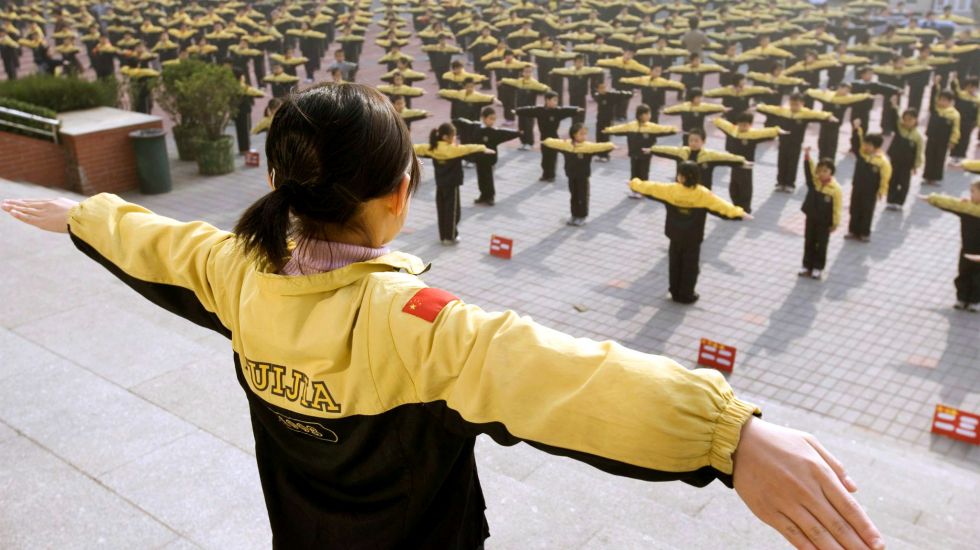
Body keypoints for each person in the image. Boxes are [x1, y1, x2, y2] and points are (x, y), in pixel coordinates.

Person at [1, 82, 885, 550]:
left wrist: (80, 213)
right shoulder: (413, 325)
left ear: (275, 182)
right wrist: (726, 432)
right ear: (400, 195)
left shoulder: (236, 272)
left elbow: (158, 241)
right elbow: (559, 372)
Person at [629, 161, 752, 304]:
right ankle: (687, 294)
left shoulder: (671, 190)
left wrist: (634, 183)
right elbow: (721, 205)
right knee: (690, 266)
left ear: (681, 177)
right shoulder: (702, 194)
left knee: (675, 264)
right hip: (693, 237)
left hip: (674, 235)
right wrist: (740, 213)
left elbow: (652, 187)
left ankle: (674, 291)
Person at [414, 122, 494, 245]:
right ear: (446, 137)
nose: (455, 138)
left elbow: (416, 147)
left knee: (442, 210)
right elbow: (469, 148)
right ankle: (450, 237)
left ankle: (443, 236)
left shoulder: (432, 147)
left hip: (440, 184)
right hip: (452, 185)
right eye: (453, 136)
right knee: (453, 212)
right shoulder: (453, 150)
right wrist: (483, 148)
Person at [757, 94, 837, 192]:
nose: (794, 107)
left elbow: (817, 114)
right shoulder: (783, 111)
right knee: (782, 162)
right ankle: (780, 182)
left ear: (802, 104)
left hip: (796, 143)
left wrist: (829, 116)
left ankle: (790, 184)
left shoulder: (805, 114)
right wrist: (759, 106)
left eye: (796, 104)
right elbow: (770, 109)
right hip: (783, 141)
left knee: (792, 163)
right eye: (792, 104)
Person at [920, 182, 980, 311]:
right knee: (963, 273)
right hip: (966, 250)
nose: (970, 195)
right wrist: (932, 199)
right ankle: (962, 298)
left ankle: (975, 301)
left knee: (978, 277)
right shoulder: (967, 208)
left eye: (973, 192)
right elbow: (951, 203)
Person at [542, 123, 616, 226]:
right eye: (581, 134)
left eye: (585, 134)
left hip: (583, 176)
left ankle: (582, 216)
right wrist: (546, 141)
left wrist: (611, 145)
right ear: (573, 135)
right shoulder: (566, 145)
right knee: (573, 196)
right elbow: (555, 143)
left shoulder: (588, 147)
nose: (584, 136)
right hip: (571, 175)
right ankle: (574, 215)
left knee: (583, 196)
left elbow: (599, 146)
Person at [603, 104, 678, 197]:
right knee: (634, 172)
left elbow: (662, 129)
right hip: (634, 153)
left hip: (645, 154)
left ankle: (643, 191)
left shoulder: (651, 127)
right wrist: (609, 130)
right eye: (646, 114)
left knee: (643, 172)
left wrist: (673, 128)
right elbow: (620, 128)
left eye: (649, 114)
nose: (649, 116)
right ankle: (634, 190)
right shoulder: (631, 125)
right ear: (640, 115)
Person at [713, 114, 783, 213]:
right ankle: (736, 205)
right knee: (734, 185)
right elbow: (725, 125)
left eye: (745, 125)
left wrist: (776, 131)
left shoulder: (753, 135)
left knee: (745, 187)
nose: (742, 127)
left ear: (750, 125)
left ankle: (745, 208)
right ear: (737, 124)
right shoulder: (733, 131)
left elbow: (764, 132)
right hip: (735, 164)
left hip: (747, 165)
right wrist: (716, 121)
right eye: (740, 125)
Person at [453, 107, 521, 205]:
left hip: (489, 160)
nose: (492, 121)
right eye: (490, 118)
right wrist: (456, 121)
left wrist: (518, 133)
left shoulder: (494, 132)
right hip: (479, 159)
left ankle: (490, 197)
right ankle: (483, 195)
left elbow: (506, 133)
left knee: (488, 178)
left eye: (494, 119)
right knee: (481, 178)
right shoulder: (476, 127)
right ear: (484, 118)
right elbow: (465, 123)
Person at [647, 128, 749, 191]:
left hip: (701, 192)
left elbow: (725, 158)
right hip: (682, 189)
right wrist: (651, 149)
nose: (693, 143)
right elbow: (667, 150)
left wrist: (741, 161)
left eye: (696, 141)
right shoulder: (682, 152)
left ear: (703, 141)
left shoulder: (709, 156)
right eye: (691, 140)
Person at [515, 92, 583, 182]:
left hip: (554, 137)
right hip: (544, 138)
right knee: (545, 157)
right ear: (547, 100)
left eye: (557, 100)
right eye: (554, 100)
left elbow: (566, 110)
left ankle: (551, 175)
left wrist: (576, 110)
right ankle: (545, 174)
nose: (556, 102)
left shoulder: (557, 111)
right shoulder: (539, 110)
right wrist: (517, 111)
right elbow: (528, 110)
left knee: (552, 157)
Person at [799, 148, 843, 280]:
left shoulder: (835, 189)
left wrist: (835, 223)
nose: (822, 173)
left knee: (822, 244)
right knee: (809, 241)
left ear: (831, 172)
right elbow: (808, 171)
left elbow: (837, 208)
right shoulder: (814, 183)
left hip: (824, 223)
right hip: (811, 219)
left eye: (826, 171)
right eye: (820, 170)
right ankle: (807, 266)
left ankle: (818, 268)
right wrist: (807, 157)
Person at [846, 121, 892, 242]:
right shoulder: (861, 155)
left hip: (871, 191)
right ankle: (853, 231)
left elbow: (885, 177)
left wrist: (882, 190)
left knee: (867, 211)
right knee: (854, 208)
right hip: (857, 187)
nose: (865, 147)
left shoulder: (882, 161)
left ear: (876, 147)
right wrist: (857, 130)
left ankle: (864, 233)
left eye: (868, 145)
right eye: (865, 144)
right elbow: (856, 143)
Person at [922, 74, 961, 186]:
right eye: (941, 99)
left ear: (950, 102)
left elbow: (956, 129)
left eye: (945, 101)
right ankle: (927, 176)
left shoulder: (954, 114)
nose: (942, 102)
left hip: (943, 141)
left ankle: (935, 178)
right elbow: (933, 95)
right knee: (929, 156)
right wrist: (936, 84)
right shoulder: (936, 109)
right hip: (932, 138)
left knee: (939, 159)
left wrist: (953, 141)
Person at [885, 105, 924, 210]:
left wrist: (916, 165)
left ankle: (899, 202)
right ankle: (890, 200)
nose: (907, 122)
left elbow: (919, 152)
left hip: (907, 165)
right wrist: (894, 106)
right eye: (905, 119)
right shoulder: (899, 129)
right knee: (892, 180)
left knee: (904, 183)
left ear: (916, 120)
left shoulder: (917, 137)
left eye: (910, 120)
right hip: (895, 161)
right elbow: (895, 117)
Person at [661, 88, 726, 146]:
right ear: (692, 98)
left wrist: (723, 108)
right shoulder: (684, 107)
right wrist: (665, 111)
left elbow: (714, 107)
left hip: (699, 134)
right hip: (687, 134)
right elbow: (673, 109)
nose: (700, 99)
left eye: (700, 97)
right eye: (698, 97)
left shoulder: (703, 107)